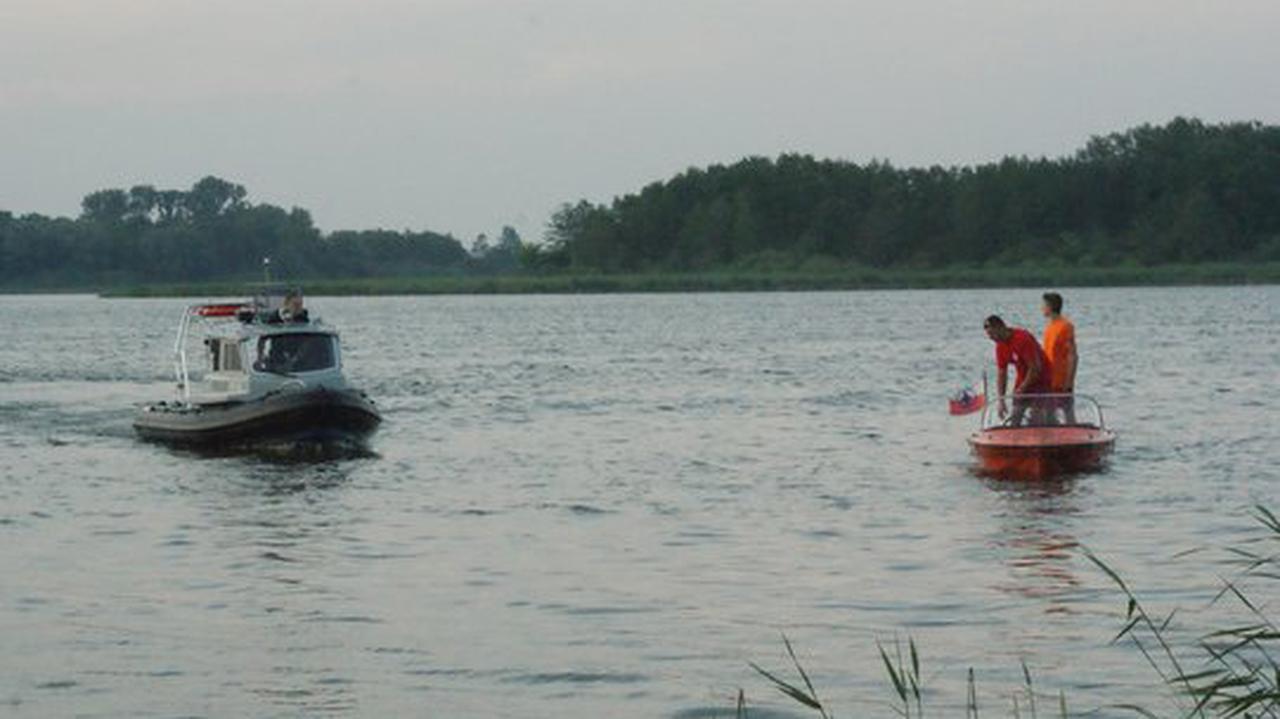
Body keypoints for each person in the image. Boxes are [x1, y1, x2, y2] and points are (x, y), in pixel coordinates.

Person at [984, 315, 1052, 425]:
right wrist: (1001, 400)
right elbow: (1002, 373)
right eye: (988, 335)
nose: (991, 337)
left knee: (1036, 415)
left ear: (1001, 327)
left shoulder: (1022, 339)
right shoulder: (1000, 346)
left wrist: (1022, 387)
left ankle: (1046, 428)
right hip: (1023, 378)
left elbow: (1035, 368)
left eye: (992, 333)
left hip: (1042, 378)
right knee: (1016, 414)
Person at [1041, 292, 1077, 423]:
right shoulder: (1049, 327)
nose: (1042, 308)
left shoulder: (1066, 326)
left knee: (1068, 412)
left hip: (1061, 379)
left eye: (1044, 305)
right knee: (1049, 413)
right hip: (1048, 379)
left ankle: (1074, 436)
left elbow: (1073, 355)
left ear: (1050, 307)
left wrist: (1069, 381)